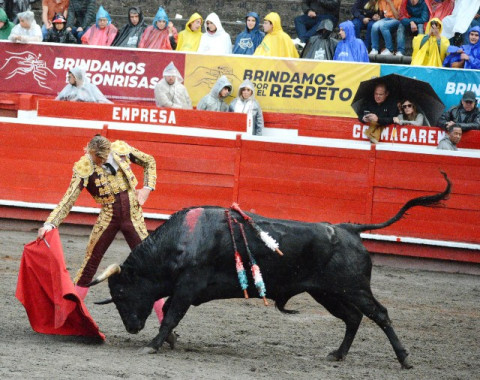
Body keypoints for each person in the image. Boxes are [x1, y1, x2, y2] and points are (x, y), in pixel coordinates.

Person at [36, 135, 157, 303]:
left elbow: (149, 161)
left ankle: (166, 324)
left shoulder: (120, 150)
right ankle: (72, 315)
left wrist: (146, 189)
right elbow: (68, 198)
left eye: (104, 157)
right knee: (90, 264)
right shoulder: (84, 167)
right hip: (109, 217)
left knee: (150, 264)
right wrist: (50, 223)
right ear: (90, 151)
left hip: (133, 215)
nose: (101, 161)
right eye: (98, 158)